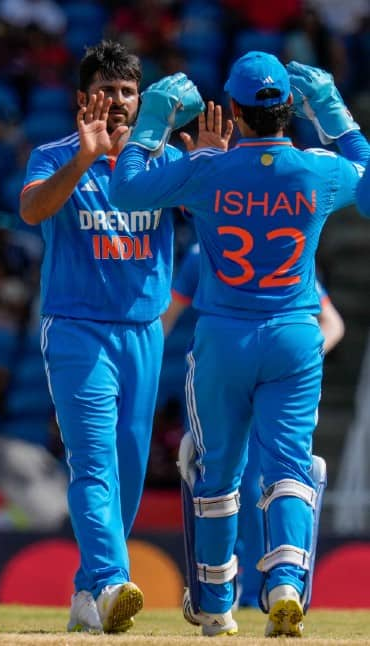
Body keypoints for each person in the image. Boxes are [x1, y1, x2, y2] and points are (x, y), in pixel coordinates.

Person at [110, 55, 368, 636]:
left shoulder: (208, 171)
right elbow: (369, 181)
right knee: (290, 468)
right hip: (296, 337)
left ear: (238, 114)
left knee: (217, 473)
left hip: (224, 339)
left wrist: (151, 121)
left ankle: (216, 606)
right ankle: (284, 585)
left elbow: (125, 191)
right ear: (286, 112)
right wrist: (333, 112)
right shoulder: (316, 170)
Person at [18, 40, 198, 634]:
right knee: (93, 465)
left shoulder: (163, 162)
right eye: (106, 91)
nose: (118, 102)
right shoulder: (55, 154)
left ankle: (86, 595)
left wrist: (211, 166)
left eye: (127, 92)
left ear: (140, 99)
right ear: (82, 98)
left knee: (127, 472)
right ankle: (116, 580)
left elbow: (214, 218)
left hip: (144, 334)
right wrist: (83, 160)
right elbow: (33, 211)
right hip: (76, 330)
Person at [162, 243, 345, 609]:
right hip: (264, 379)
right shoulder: (284, 245)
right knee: (272, 481)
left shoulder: (206, 250)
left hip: (220, 374)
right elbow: (332, 324)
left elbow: (164, 321)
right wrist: (296, 368)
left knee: (225, 484)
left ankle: (220, 596)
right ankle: (278, 584)